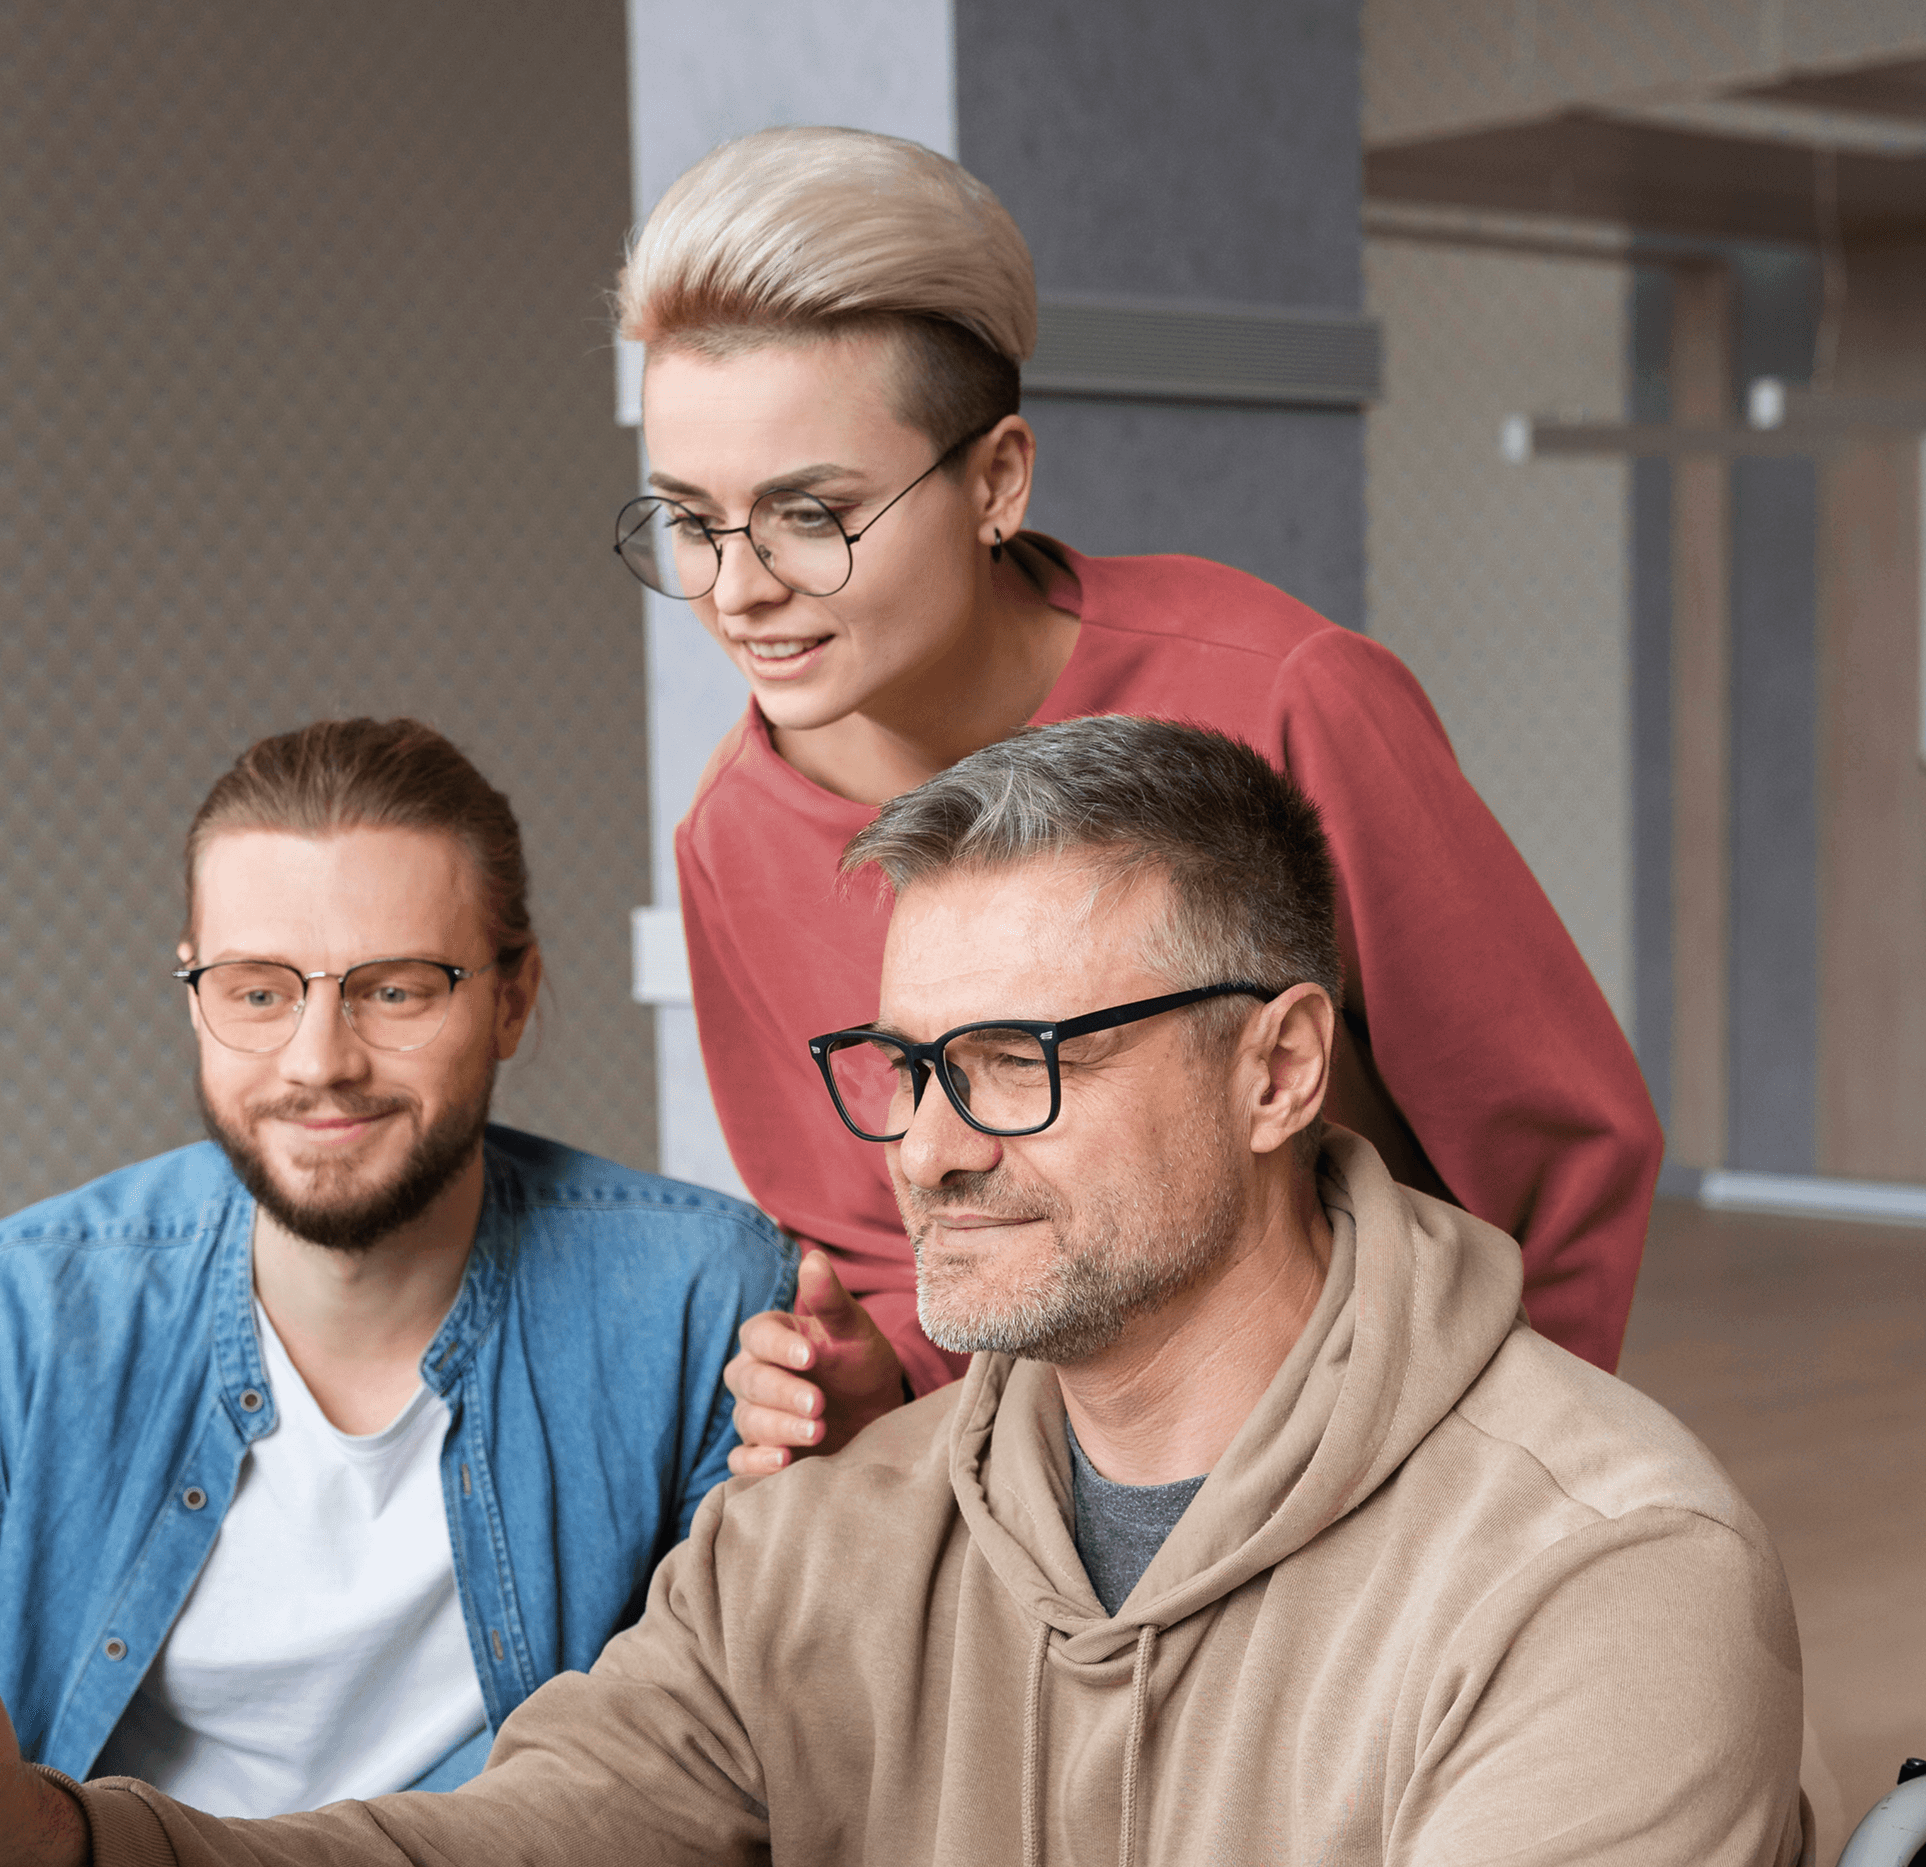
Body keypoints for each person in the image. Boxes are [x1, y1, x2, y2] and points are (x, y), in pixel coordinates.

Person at [0, 719, 1802, 1867]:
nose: (925, 1148)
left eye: (1016, 1058)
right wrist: (48, 1865)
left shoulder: (1606, 1570)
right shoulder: (844, 1538)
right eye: (903, 1065)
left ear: (1280, 1069)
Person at [606, 126, 1663, 1476]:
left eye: (812, 514)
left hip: (1403, 1459)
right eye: (689, 520)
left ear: (995, 480)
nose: (739, 589)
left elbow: (1559, 1149)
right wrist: (875, 1377)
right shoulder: (732, 841)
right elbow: (898, 1261)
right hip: (1063, 1521)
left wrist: (1507, 1491)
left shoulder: (1290, 694)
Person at [0, 715, 796, 1816]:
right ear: (196, 995)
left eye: (397, 989)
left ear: (512, 998)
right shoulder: (15, 1313)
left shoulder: (701, 1297)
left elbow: (743, 1757)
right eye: (259, 992)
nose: (320, 1061)